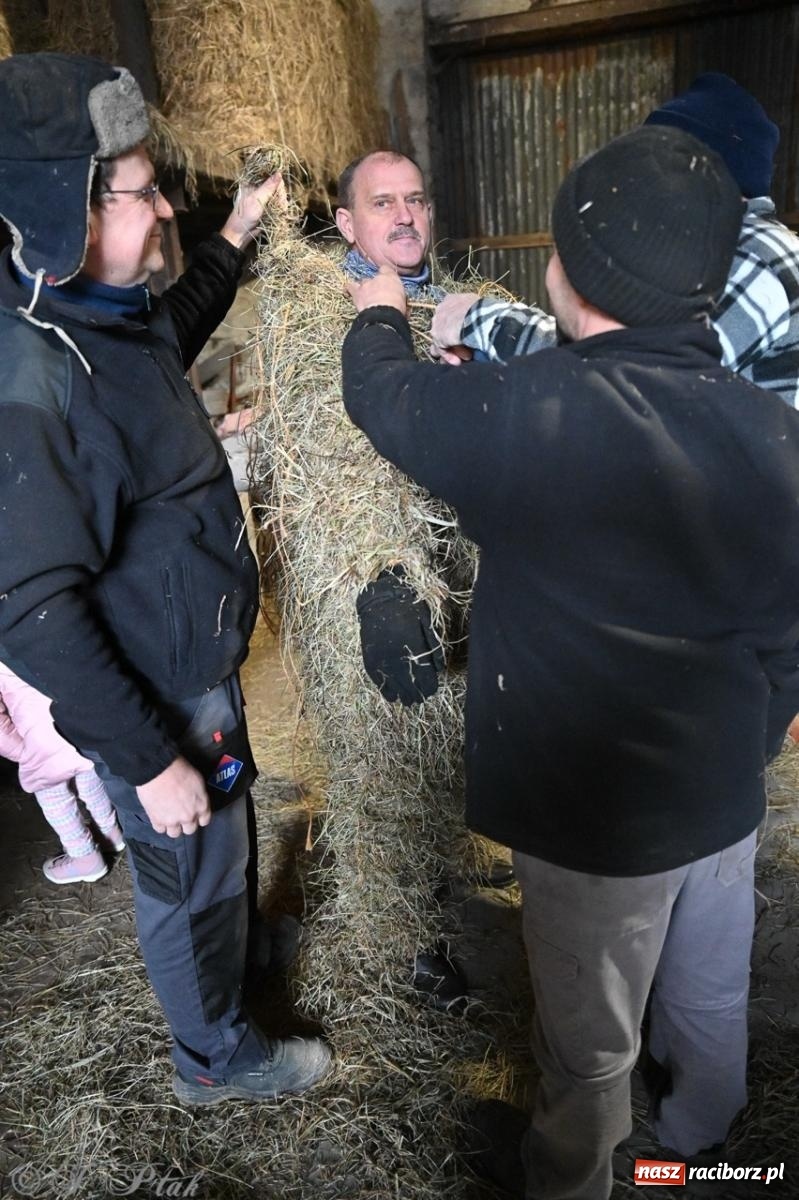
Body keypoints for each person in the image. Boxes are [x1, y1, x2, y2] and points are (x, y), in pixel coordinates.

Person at [341, 124, 799, 1198]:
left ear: (564, 275)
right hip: (723, 799)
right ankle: (700, 1138)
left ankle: (574, 1177)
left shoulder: (529, 414)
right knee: (707, 991)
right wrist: (753, 735)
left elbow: (387, 401)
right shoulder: (773, 436)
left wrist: (375, 315)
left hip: (596, 826)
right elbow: (788, 636)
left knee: (588, 1046)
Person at [0, 52, 330, 1106]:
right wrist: (148, 760)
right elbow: (29, 607)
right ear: (73, 210)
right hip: (151, 694)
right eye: (143, 194)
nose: (159, 213)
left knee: (220, 848)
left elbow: (166, 335)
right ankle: (212, 1056)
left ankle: (234, 956)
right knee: (184, 875)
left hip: (195, 657)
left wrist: (236, 234)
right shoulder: (33, 375)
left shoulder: (102, 314)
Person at [432, 73, 799, 411]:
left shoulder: (756, 259)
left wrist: (483, 321)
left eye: (661, 161)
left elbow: (631, 382)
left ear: (704, 171)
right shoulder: (707, 249)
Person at [0, 660, 125, 884]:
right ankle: (111, 832)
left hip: (39, 738)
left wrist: (24, 753)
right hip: (75, 717)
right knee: (88, 772)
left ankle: (84, 857)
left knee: (53, 795)